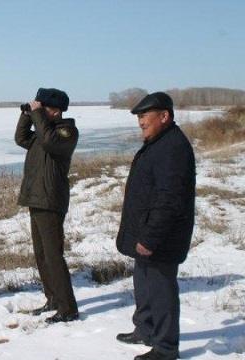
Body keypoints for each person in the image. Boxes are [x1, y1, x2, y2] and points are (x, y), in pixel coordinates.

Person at [116, 92, 196, 360]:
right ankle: (146, 328)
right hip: (148, 230)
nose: (140, 122)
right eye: (138, 117)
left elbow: (169, 199)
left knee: (161, 289)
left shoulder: (173, 147)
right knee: (144, 282)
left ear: (164, 116)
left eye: (144, 116)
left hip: (162, 236)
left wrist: (150, 238)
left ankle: (165, 348)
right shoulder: (159, 141)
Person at [15, 88, 79, 323]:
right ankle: (52, 298)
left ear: (55, 111)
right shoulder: (41, 134)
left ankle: (68, 308)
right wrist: (27, 114)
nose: (38, 112)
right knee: (41, 254)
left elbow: (51, 142)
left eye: (43, 109)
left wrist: (38, 114)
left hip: (51, 200)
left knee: (53, 255)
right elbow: (21, 138)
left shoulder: (67, 131)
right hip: (36, 198)